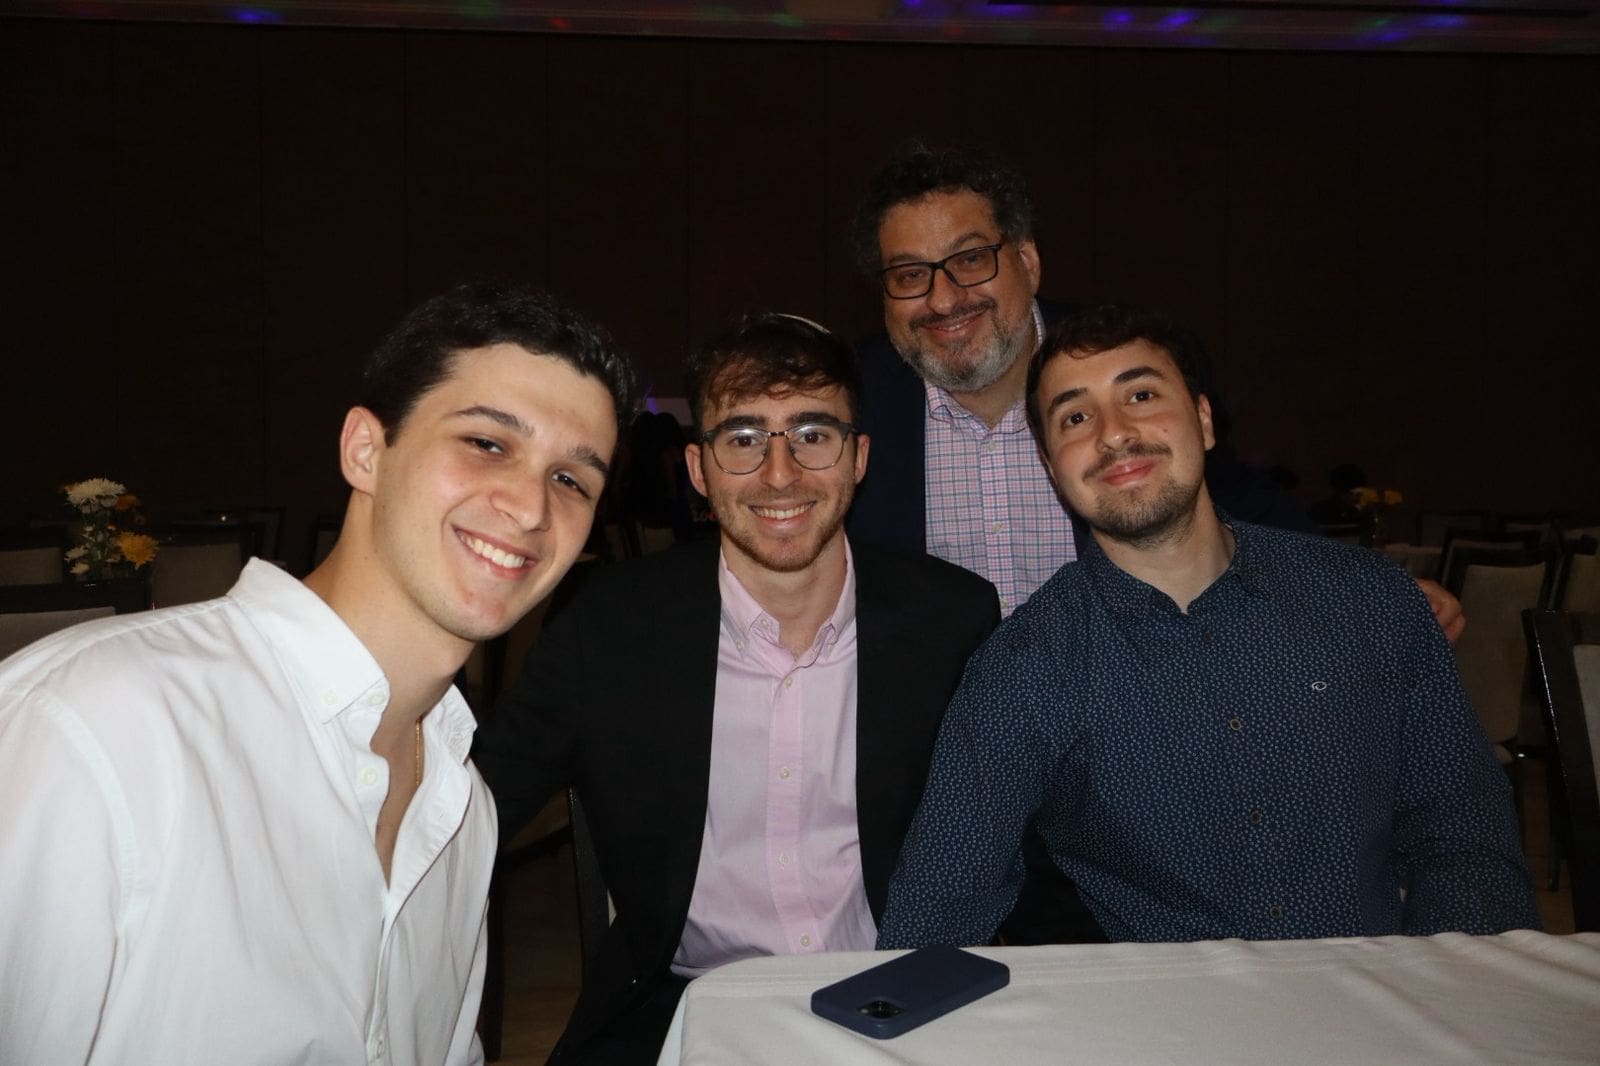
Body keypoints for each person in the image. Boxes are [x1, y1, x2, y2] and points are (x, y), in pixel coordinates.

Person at [0, 282, 636, 1065]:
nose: (533, 507)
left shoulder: (461, 807)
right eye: (487, 443)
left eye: (572, 480)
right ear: (366, 451)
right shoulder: (95, 724)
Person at [876, 304, 1539, 950]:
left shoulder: (1368, 601)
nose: (1113, 433)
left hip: (1380, 994)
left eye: (1140, 395)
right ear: (1052, 468)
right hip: (1172, 1011)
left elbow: (1465, 839)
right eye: (1075, 416)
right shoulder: (1024, 668)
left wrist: (1443, 991)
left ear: (1203, 420)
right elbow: (941, 901)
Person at [473, 313, 998, 1065]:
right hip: (683, 1004)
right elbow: (474, 810)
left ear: (858, 458)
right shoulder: (612, 628)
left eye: (813, 434)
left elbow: (1030, 839)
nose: (780, 474)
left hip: (907, 1002)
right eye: (744, 439)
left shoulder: (950, 620)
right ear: (699, 469)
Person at [845, 142, 1464, 640]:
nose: (943, 298)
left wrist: (1368, 589)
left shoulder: (1132, 364)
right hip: (938, 735)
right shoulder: (850, 399)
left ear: (1027, 263)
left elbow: (1238, 506)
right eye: (909, 274)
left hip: (1125, 714)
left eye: (971, 259)